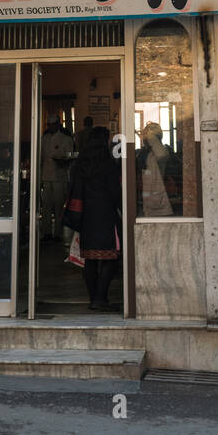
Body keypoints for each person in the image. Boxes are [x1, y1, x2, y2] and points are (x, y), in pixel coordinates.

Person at [66, 126, 122, 311]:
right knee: (110, 259)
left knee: (90, 260)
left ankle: (93, 298)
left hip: (86, 218)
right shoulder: (108, 164)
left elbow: (72, 190)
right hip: (106, 216)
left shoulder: (80, 165)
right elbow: (115, 193)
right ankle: (100, 297)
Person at [40, 115, 73, 241]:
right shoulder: (44, 139)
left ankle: (58, 233)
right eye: (49, 125)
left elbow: (70, 156)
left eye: (53, 124)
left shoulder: (66, 139)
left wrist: (63, 160)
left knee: (59, 206)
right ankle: (46, 232)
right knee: (46, 206)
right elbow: (41, 158)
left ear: (58, 124)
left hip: (60, 176)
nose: (51, 127)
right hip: (46, 176)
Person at [136, 121, 175, 217]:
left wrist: (149, 135)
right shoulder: (145, 152)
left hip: (156, 203)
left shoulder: (161, 152)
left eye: (147, 134)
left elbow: (161, 154)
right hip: (144, 200)